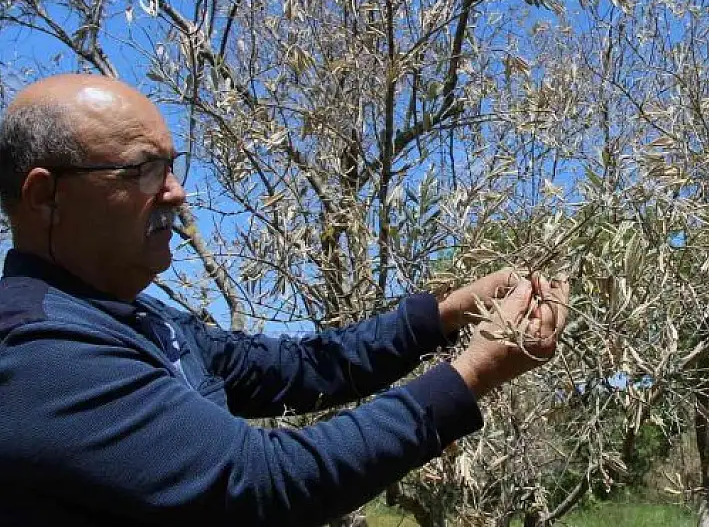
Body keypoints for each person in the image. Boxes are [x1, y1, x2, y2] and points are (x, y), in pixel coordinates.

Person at [0, 74, 568, 527]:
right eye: (145, 170)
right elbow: (262, 482)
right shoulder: (37, 354)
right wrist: (475, 371)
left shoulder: (142, 321)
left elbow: (302, 369)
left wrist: (449, 312)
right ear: (46, 196)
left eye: (172, 167)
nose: (176, 191)